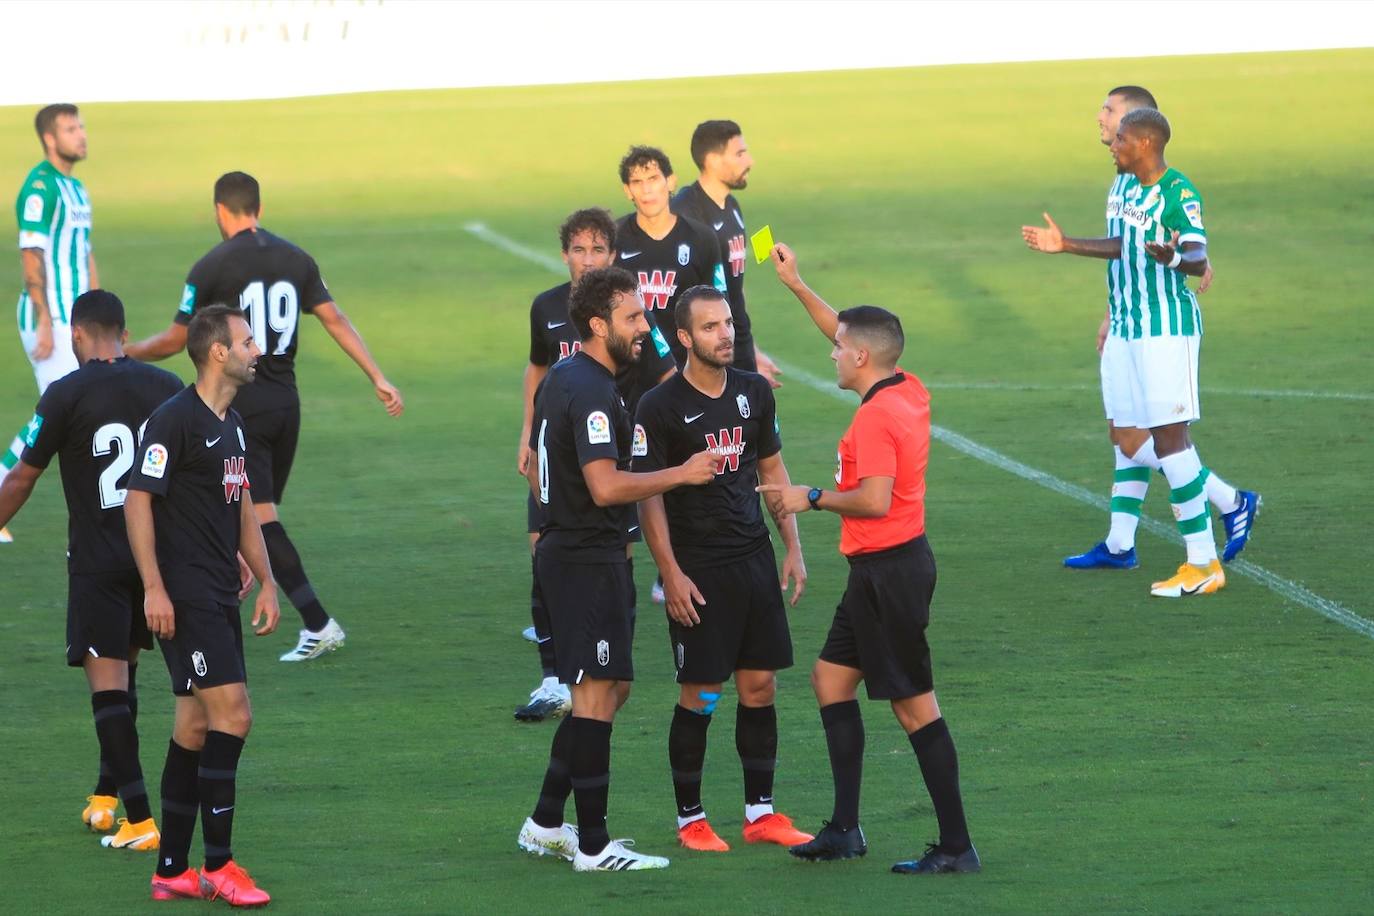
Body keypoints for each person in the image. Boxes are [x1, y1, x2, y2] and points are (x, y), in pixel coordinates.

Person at [758, 243, 980, 875]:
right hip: (879, 572)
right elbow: (850, 333)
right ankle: (846, 830)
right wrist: (798, 285)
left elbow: (876, 501)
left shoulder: (874, 421)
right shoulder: (905, 385)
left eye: (838, 349)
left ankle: (957, 846)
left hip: (892, 573)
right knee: (830, 681)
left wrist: (813, 498)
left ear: (859, 359)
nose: (830, 351)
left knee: (916, 708)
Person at [126, 171, 404, 659]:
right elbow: (335, 318)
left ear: (220, 211)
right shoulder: (296, 257)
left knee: (254, 514)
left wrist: (129, 353)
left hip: (241, 408)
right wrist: (376, 375)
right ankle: (270, 598)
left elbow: (175, 340)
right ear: (259, 206)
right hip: (286, 404)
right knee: (251, 510)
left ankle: (316, 621)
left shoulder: (212, 264)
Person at [515, 267, 716, 872]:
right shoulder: (595, 389)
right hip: (583, 556)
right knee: (597, 696)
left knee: (609, 690)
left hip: (578, 552)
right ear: (598, 325)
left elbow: (541, 467)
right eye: (632, 317)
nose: (644, 326)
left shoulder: (567, 377)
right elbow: (604, 485)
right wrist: (681, 473)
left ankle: (547, 822)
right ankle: (595, 847)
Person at [1021, 108, 1259, 597]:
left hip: (1164, 331)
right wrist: (1065, 245)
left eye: (1121, 138)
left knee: (1171, 439)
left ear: (1146, 143)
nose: (1112, 144)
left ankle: (1203, 563)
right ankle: (1143, 539)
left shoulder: (1179, 192)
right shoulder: (1123, 187)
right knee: (1128, 437)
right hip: (1127, 329)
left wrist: (1171, 256)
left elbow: (1196, 255)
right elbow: (1121, 244)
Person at [0, 290, 182, 849]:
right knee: (124, 680)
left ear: (77, 335)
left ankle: (141, 821)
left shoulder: (65, 394)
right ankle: (106, 797)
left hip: (99, 562)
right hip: (156, 561)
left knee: (107, 690)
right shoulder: (168, 388)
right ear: (124, 334)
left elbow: (23, 477)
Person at [634, 284, 812, 852]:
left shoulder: (754, 392)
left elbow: (772, 468)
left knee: (760, 687)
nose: (726, 334)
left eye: (729, 323)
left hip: (753, 560)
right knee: (701, 694)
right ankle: (691, 820)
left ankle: (761, 813)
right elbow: (649, 498)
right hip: (698, 569)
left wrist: (793, 544)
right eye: (710, 327)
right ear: (685, 338)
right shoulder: (658, 408)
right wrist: (671, 572)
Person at [126, 304, 280, 904]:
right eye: (246, 341)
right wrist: (154, 587)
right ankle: (219, 865)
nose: (256, 349)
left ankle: (171, 870)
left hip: (218, 592)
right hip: (185, 597)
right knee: (234, 716)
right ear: (219, 352)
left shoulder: (231, 423)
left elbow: (240, 506)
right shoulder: (174, 421)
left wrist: (266, 578)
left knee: (193, 725)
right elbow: (139, 501)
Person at [514, 208, 677, 722]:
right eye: (579, 250)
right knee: (543, 549)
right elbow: (537, 369)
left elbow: (667, 377)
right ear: (565, 254)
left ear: (614, 254)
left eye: (599, 250)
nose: (588, 259)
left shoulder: (631, 324)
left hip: (611, 460)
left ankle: (604, 658)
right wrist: (529, 434)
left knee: (614, 560)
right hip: (561, 459)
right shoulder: (546, 309)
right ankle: (555, 675)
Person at [3, 103, 97, 544]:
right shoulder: (39, 188)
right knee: (60, 411)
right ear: (48, 138)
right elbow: (31, 255)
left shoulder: (77, 189)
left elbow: (85, 253)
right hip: (52, 317)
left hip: (77, 319)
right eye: (70, 128)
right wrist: (43, 317)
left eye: (80, 126)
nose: (80, 135)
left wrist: (102, 311)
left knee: (60, 411)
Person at [672, 119, 782, 386]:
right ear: (713, 160)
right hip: (707, 355)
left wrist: (750, 350)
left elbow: (735, 287)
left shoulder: (732, 207)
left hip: (735, 345)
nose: (750, 161)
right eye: (740, 153)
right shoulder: (686, 215)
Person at [614, 145, 727, 366]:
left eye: (654, 178)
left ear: (671, 181)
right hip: (630, 370)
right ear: (628, 190)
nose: (647, 190)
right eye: (637, 182)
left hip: (688, 368)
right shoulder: (613, 239)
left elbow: (717, 304)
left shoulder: (702, 239)